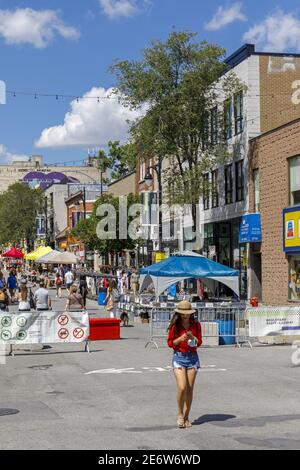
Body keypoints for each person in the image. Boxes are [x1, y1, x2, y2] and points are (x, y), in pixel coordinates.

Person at [167, 300, 202, 429]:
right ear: (179, 313)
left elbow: (199, 342)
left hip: (192, 357)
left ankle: (187, 416)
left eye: (187, 313)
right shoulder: (174, 326)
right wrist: (180, 339)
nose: (185, 316)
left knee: (190, 388)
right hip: (179, 357)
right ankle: (180, 413)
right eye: (183, 313)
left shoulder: (196, 325)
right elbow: (170, 343)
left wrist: (193, 337)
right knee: (182, 387)